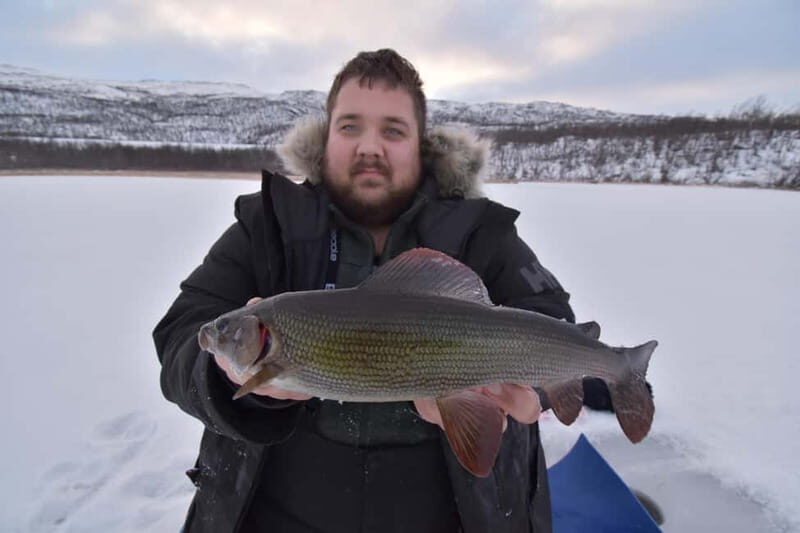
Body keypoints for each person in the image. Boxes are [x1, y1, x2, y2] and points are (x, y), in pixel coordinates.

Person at [153, 49, 576, 533]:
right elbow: (180, 338)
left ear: (421, 144)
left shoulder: (483, 232)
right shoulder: (266, 225)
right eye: (350, 127)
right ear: (325, 137)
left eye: (393, 131)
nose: (369, 147)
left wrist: (531, 392)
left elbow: (553, 323)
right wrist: (233, 384)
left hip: (457, 513)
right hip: (274, 510)